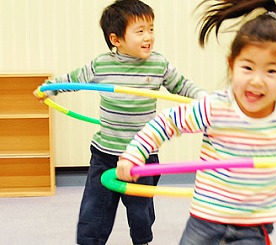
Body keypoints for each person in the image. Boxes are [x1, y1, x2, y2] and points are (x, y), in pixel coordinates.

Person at [116, 0, 276, 244]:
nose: (257, 80)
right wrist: (134, 154)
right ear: (232, 64)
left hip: (254, 222)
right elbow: (165, 123)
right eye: (247, 67)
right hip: (207, 218)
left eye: (272, 71)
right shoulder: (215, 107)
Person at [34, 0, 207, 244]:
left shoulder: (158, 64)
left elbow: (182, 86)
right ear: (116, 40)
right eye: (140, 31)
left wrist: (204, 98)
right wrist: (49, 89)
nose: (148, 36)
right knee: (94, 211)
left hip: (142, 155)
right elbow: (74, 79)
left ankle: (142, 241)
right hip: (105, 152)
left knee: (140, 214)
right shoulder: (102, 64)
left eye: (151, 29)